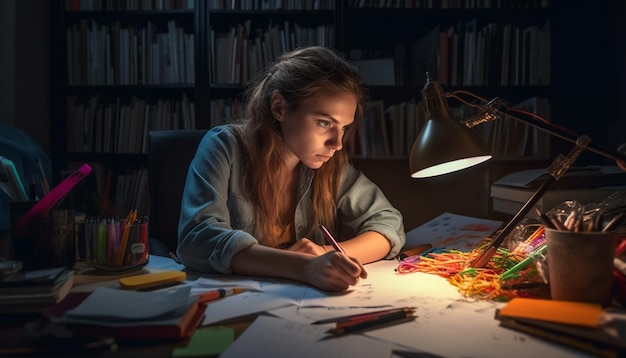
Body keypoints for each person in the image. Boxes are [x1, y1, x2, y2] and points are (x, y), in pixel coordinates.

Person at [177, 46, 405, 291]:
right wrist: (304, 267)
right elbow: (197, 238)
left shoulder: (331, 166)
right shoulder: (224, 147)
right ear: (279, 108)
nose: (337, 144)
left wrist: (323, 253)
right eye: (324, 123)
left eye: (343, 128)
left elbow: (388, 224)